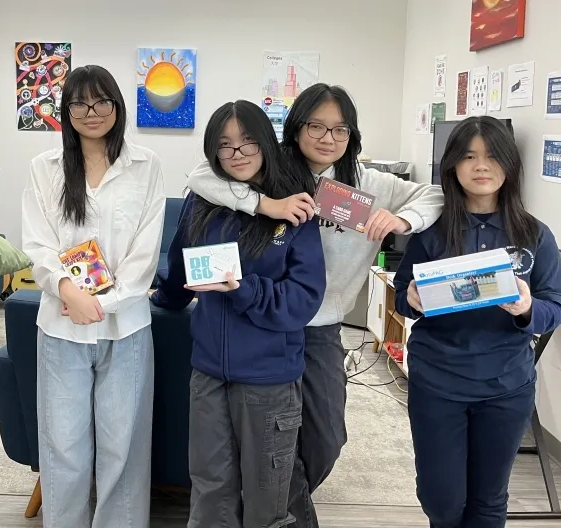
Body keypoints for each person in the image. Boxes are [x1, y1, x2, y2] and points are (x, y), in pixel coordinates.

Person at [185, 83, 443, 527]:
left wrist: (402, 219)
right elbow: (201, 177)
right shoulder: (274, 170)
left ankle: (275, 502)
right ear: (296, 128)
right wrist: (266, 203)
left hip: (320, 326)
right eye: (316, 126)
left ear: (352, 134)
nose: (328, 138)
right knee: (265, 442)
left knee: (325, 437)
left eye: (340, 129)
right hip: (265, 322)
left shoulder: (367, 184)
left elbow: (436, 195)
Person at [152, 100, 327, 528]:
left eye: (248, 141)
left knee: (267, 499)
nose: (237, 153)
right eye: (225, 144)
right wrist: (160, 301)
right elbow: (179, 267)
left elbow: (303, 299)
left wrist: (244, 289)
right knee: (210, 491)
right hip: (208, 374)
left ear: (266, 142)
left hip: (269, 378)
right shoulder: (201, 202)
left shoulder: (294, 210)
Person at [393, 116, 561, 528]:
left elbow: (555, 305)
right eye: (469, 156)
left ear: (510, 165)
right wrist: (412, 300)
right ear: (453, 165)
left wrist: (527, 308)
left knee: (489, 500)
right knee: (441, 499)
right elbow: (402, 293)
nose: (481, 166)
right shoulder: (431, 232)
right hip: (438, 382)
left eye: (492, 156)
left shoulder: (534, 234)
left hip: (506, 385)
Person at [21, 65, 165, 528]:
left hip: (127, 327)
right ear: (66, 111)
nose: (91, 111)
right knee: (63, 447)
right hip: (61, 326)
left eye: (102, 101)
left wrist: (102, 303)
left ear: (117, 106)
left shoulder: (146, 165)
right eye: (79, 103)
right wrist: (67, 289)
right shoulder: (44, 168)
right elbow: (38, 244)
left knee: (124, 447)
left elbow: (145, 252)